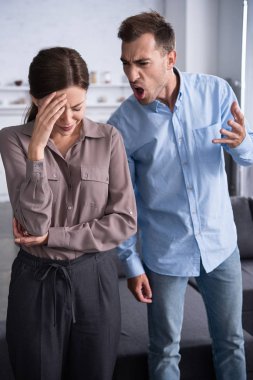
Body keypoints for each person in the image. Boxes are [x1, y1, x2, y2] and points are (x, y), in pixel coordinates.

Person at [108, 11, 253, 380]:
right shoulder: (121, 125)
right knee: (163, 352)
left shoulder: (216, 92)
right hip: (166, 255)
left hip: (221, 247)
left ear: (170, 59)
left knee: (232, 342)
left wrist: (242, 143)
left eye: (142, 63)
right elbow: (123, 202)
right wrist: (131, 263)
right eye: (126, 63)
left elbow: (246, 155)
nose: (131, 75)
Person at [0, 47, 137, 380]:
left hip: (96, 280)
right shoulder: (13, 140)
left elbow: (124, 220)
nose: (67, 119)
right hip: (36, 283)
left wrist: (55, 238)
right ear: (35, 99)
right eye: (56, 108)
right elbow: (33, 225)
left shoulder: (109, 139)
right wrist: (36, 152)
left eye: (76, 107)